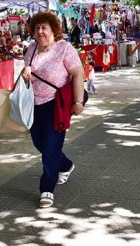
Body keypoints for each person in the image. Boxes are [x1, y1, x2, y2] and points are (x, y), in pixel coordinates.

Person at [19, 11, 85, 208]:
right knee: (40, 143)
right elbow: (26, 78)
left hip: (56, 105)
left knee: (49, 148)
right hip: (33, 105)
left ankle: (47, 188)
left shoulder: (64, 48)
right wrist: (25, 74)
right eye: (37, 28)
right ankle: (65, 165)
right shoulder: (30, 49)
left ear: (53, 30)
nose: (40, 31)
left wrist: (79, 102)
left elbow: (78, 73)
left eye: (44, 27)